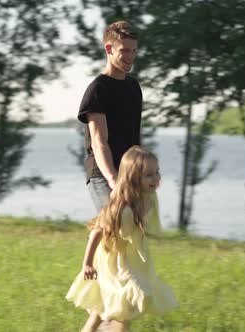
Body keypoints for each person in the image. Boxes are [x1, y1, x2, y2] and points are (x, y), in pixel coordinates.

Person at [66, 146, 178, 332]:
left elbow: (143, 227)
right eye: (149, 175)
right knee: (129, 300)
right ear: (133, 177)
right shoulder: (120, 205)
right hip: (115, 260)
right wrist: (87, 264)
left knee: (102, 310)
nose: (156, 178)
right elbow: (96, 232)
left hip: (134, 258)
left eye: (157, 172)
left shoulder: (149, 197)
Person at [77, 21, 143, 212]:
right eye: (125, 50)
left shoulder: (133, 87)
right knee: (117, 221)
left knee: (132, 228)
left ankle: (96, 238)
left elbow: (135, 136)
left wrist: (144, 169)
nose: (130, 56)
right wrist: (112, 179)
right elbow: (99, 142)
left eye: (134, 51)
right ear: (109, 48)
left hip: (128, 172)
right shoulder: (98, 89)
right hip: (103, 174)